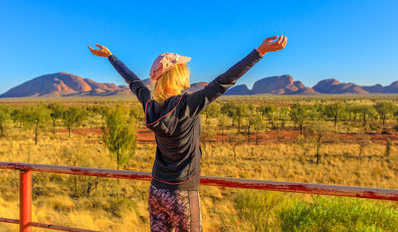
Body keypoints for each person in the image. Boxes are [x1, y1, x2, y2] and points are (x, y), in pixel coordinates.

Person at [88, 35, 287, 232]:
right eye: (185, 70)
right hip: (182, 191)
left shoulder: (149, 104)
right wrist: (259, 53)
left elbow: (133, 82)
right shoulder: (187, 105)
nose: (189, 74)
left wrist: (110, 57)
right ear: (177, 75)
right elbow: (224, 81)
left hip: (157, 190)